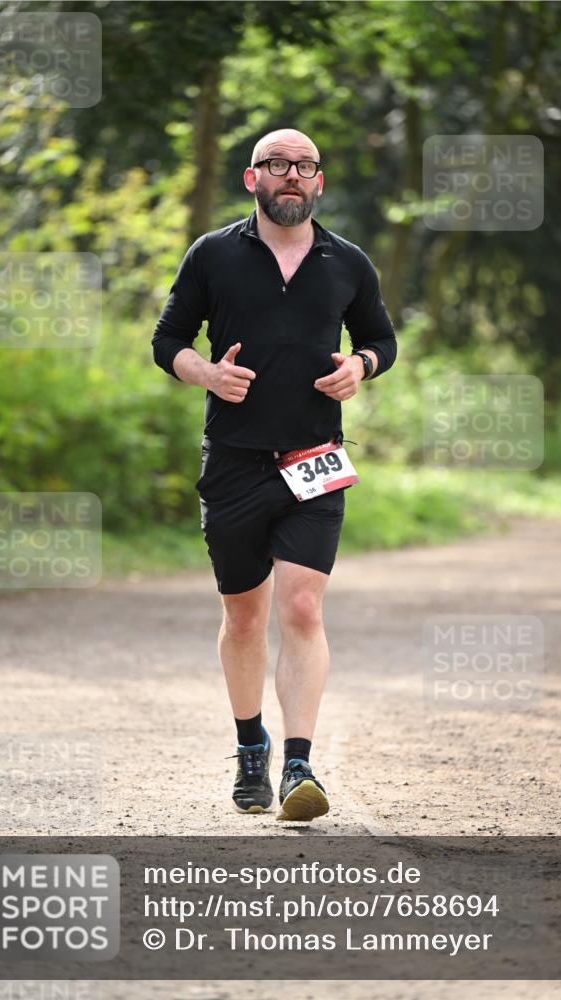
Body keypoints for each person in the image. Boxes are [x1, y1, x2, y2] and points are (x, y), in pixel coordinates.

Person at [152, 128, 396, 821]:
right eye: (278, 165)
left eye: (305, 166)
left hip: (313, 459)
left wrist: (361, 366)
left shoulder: (346, 262)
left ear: (318, 181)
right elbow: (168, 339)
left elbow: (379, 339)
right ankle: (249, 745)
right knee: (242, 617)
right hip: (232, 461)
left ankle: (297, 763)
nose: (293, 175)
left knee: (301, 607)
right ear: (250, 178)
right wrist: (205, 372)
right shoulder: (213, 255)